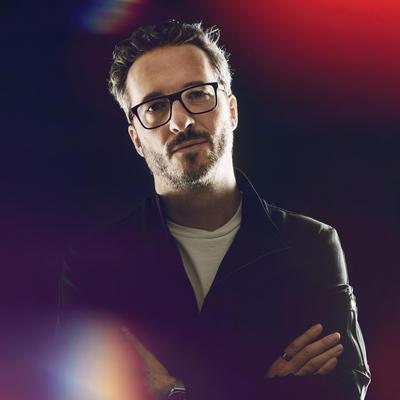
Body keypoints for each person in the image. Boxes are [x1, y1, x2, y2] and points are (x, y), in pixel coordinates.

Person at [59, 20, 371, 400]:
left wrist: (172, 390)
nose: (182, 121)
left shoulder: (310, 244)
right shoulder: (94, 264)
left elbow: (342, 391)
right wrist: (267, 387)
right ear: (136, 139)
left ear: (232, 110)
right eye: (155, 106)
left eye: (197, 94)